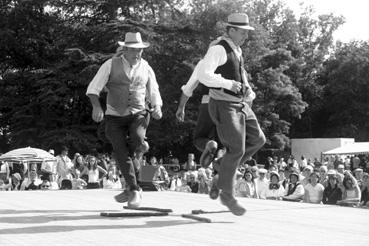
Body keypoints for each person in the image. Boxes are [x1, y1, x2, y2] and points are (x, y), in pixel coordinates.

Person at [197, 13, 266, 215]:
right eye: (243, 32)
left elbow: (240, 74)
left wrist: (248, 90)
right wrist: (228, 84)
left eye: (246, 32)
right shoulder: (219, 48)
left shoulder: (237, 49)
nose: (246, 36)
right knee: (236, 148)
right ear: (231, 30)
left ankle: (220, 168)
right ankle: (227, 194)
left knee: (258, 140)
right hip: (223, 104)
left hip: (240, 103)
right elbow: (203, 75)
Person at [86, 32, 162, 208]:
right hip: (114, 116)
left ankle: (140, 144)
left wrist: (157, 106)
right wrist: (97, 107)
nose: (138, 54)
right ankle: (134, 188)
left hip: (138, 113)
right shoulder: (110, 65)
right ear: (125, 49)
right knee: (121, 151)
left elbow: (154, 90)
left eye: (141, 51)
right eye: (134, 50)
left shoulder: (146, 67)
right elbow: (92, 88)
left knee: (136, 136)